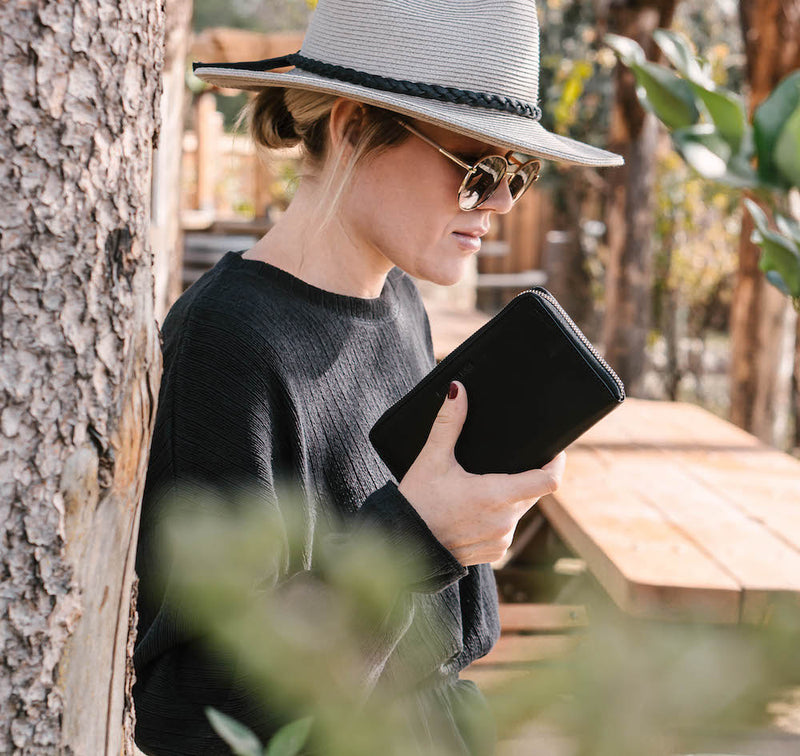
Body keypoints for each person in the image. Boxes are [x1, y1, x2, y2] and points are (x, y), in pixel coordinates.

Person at [132, 1, 623, 754]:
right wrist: (418, 537)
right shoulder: (224, 341)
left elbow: (446, 644)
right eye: (478, 167)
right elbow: (192, 715)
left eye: (516, 173)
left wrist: (462, 533)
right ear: (354, 126)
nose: (497, 203)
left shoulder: (401, 303)